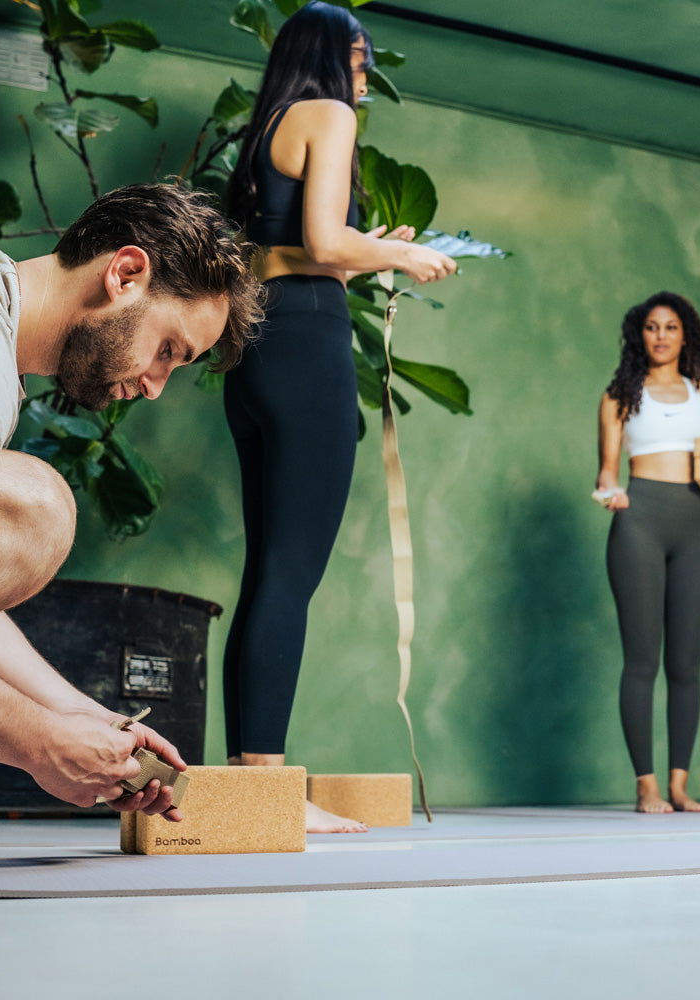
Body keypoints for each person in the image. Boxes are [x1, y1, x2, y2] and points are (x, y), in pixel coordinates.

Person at [222, 1, 457, 833]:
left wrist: (360, 257)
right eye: (358, 58)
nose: (364, 73)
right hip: (306, 356)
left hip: (256, 351)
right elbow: (326, 238)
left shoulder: (266, 131)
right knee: (291, 577)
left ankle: (253, 785)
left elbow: (292, 255)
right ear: (328, 58)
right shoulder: (328, 113)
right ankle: (277, 791)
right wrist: (396, 252)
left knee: (266, 576)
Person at [0, 183, 264, 819]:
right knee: (36, 513)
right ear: (125, 274)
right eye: (167, 351)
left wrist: (81, 716)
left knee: (21, 507)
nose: (156, 387)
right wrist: (38, 744)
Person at [596, 291, 700, 814]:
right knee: (642, 661)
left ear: (685, 335)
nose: (660, 335)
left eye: (670, 327)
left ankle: (680, 786)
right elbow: (605, 473)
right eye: (651, 327)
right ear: (638, 335)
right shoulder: (620, 395)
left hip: (696, 526)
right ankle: (647, 787)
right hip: (638, 523)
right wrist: (609, 492)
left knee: (686, 663)